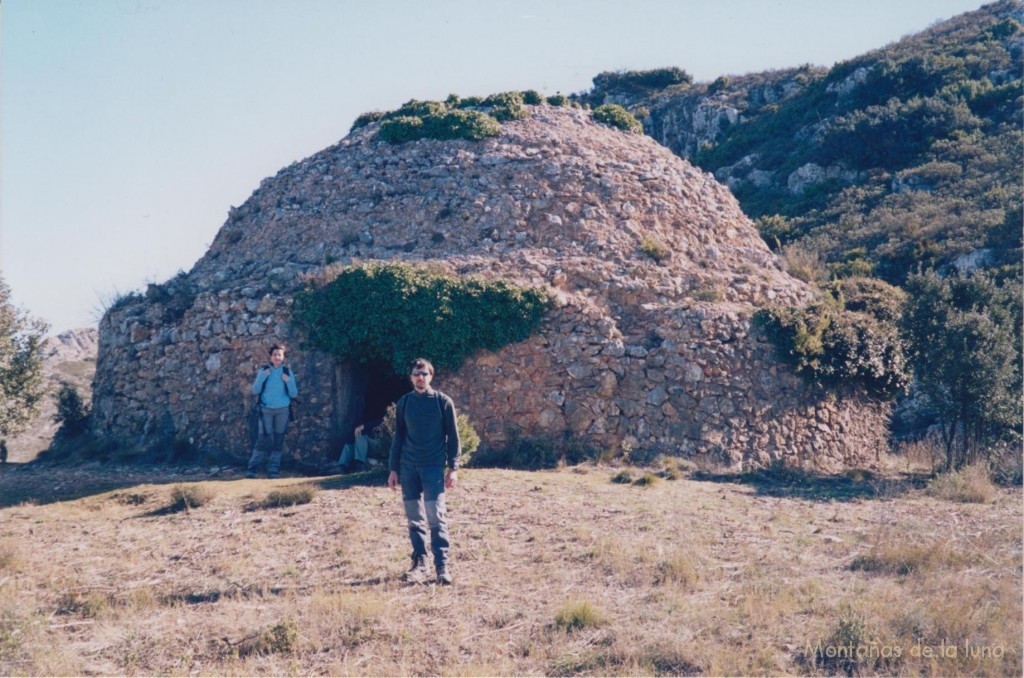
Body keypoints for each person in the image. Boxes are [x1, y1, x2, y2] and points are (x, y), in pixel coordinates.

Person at [388, 358, 461, 585]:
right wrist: (393, 469)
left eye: (424, 374)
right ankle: (420, 562)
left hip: (432, 468)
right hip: (408, 468)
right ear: (411, 377)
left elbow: (454, 437)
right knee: (414, 519)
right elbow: (398, 437)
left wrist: (453, 468)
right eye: (416, 374)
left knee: (436, 517)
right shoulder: (404, 403)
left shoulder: (443, 402)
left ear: (431, 376)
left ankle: (442, 566)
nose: (420, 377)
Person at [247, 344, 298, 479]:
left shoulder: (287, 373)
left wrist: (288, 382)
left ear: (283, 358)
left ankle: (273, 470)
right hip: (266, 410)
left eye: (279, 355)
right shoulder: (264, 371)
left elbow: (294, 394)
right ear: (271, 356)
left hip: (283, 411)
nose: (277, 357)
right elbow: (255, 390)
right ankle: (252, 468)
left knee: (278, 440)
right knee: (263, 439)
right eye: (274, 354)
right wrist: (263, 377)